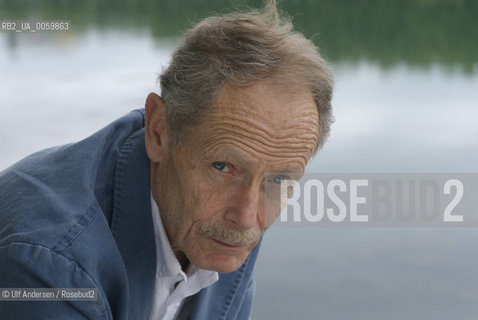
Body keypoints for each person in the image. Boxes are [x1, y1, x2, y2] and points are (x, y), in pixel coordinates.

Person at [0, 1, 333, 319]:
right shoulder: (45, 263)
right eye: (222, 167)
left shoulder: (229, 215)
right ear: (158, 130)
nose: (247, 219)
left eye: (279, 180)